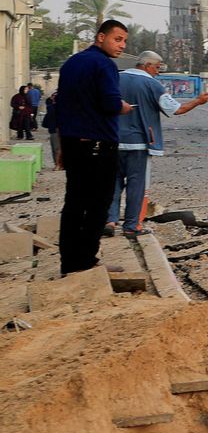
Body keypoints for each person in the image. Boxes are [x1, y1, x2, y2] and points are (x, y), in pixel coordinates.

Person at [56, 19, 134, 275]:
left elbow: (61, 105)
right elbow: (111, 104)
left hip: (72, 142)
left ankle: (69, 262)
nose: (121, 45)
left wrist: (61, 145)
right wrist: (122, 107)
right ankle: (87, 261)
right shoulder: (104, 64)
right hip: (99, 144)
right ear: (100, 37)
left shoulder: (71, 63)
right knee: (99, 204)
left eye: (124, 40)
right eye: (117, 39)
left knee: (74, 203)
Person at [108, 50, 208, 236]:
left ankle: (110, 220)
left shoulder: (114, 78)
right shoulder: (151, 84)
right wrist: (199, 101)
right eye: (157, 68)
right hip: (140, 143)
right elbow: (176, 110)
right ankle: (132, 226)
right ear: (147, 65)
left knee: (112, 183)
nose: (158, 72)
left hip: (112, 141)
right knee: (136, 185)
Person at [41, 90, 61, 169]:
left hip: (57, 129)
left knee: (57, 148)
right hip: (54, 129)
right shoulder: (51, 107)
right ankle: (57, 164)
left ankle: (58, 164)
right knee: (56, 148)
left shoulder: (54, 108)